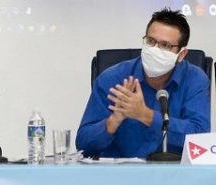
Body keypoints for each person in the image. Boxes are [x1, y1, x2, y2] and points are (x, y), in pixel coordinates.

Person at [76, 8, 209, 158]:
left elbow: (200, 139)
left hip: (174, 170)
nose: (155, 50)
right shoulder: (113, 79)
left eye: (165, 45)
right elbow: (83, 145)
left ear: (181, 54)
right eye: (150, 41)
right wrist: (113, 120)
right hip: (121, 171)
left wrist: (146, 115)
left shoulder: (194, 79)